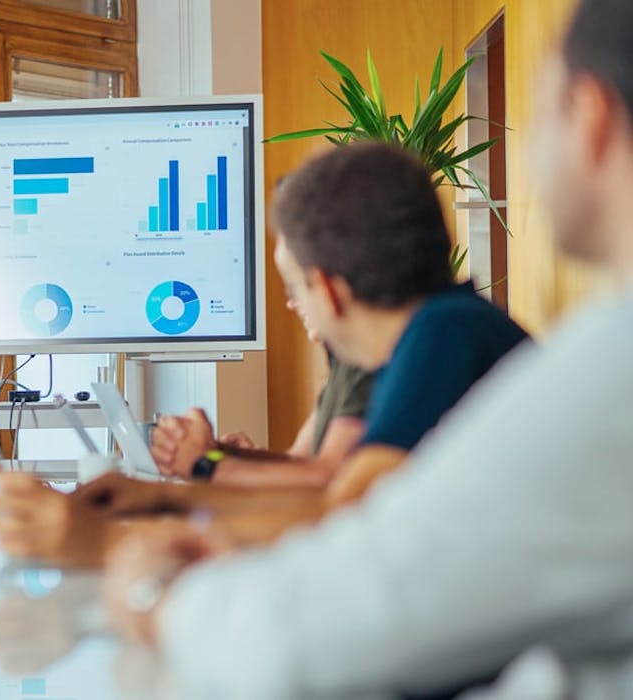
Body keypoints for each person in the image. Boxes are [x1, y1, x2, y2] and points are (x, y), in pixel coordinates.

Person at [101, 1, 633, 695]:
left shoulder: (461, 337)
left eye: (543, 112)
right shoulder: (451, 334)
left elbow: (342, 527)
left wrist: (141, 564)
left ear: (590, 120)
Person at [0, 142, 529, 564]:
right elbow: (335, 495)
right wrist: (154, 500)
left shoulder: (441, 335)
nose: (292, 304)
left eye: (293, 287)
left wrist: (110, 537)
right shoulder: (447, 327)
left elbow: (345, 515)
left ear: (329, 292)